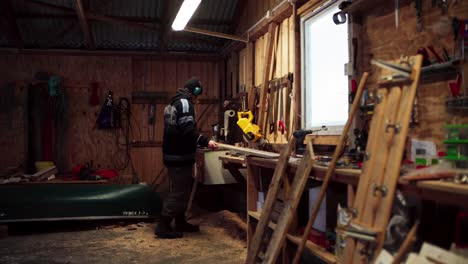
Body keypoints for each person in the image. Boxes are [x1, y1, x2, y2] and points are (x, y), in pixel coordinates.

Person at [156, 77, 218, 239]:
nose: (198, 99)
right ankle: (163, 225)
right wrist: (207, 141)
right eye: (198, 94)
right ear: (193, 92)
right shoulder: (184, 104)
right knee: (179, 193)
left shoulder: (173, 102)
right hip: (178, 157)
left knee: (182, 191)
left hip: (175, 155)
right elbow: (188, 131)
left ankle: (180, 221)